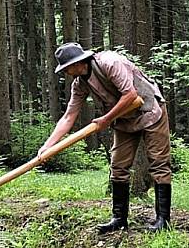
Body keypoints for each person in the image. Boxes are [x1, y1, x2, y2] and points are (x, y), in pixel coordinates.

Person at [38, 42, 171, 233]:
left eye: (66, 68)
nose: (66, 73)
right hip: (123, 120)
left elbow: (130, 95)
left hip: (150, 111)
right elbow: (68, 116)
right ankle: (119, 219)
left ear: (77, 63)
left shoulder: (110, 63)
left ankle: (162, 221)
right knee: (118, 166)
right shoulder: (79, 84)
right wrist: (47, 146)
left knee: (158, 163)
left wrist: (106, 120)